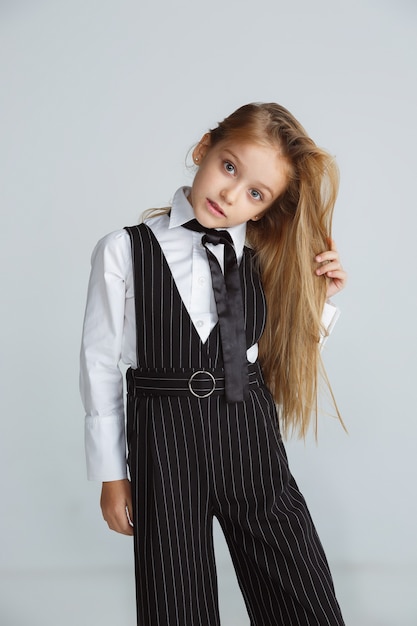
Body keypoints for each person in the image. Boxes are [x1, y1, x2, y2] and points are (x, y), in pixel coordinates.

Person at [80, 102, 347, 625]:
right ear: (204, 148)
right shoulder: (124, 250)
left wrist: (322, 299)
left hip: (247, 431)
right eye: (229, 167)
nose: (230, 194)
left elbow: (277, 351)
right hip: (163, 436)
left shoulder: (263, 260)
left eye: (255, 192)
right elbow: (99, 363)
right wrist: (112, 475)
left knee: (297, 581)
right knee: (175, 594)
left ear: (266, 208)